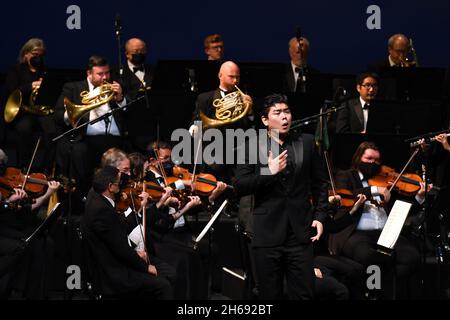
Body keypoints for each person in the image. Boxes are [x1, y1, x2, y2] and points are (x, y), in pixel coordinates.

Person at [234, 93, 330, 299]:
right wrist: (269, 172)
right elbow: (240, 186)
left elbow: (321, 183)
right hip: (267, 233)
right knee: (269, 295)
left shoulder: (306, 142)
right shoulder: (250, 145)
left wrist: (320, 216)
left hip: (300, 233)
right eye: (277, 113)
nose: (284, 117)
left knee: (304, 294)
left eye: (287, 111)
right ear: (265, 120)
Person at [328, 141, 427, 299]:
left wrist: (419, 197)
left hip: (384, 232)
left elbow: (400, 208)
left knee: (411, 256)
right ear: (358, 158)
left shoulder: (384, 180)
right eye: (369, 159)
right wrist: (374, 190)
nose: (373, 163)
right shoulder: (345, 175)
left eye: (376, 160)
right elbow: (345, 195)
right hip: (355, 233)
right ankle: (372, 294)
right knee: (371, 258)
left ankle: (385, 290)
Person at [81, 165, 173, 299]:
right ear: (110, 187)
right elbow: (120, 248)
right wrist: (145, 267)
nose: (121, 186)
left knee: (167, 273)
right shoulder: (101, 211)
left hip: (115, 260)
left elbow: (117, 236)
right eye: (119, 183)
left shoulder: (94, 194)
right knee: (163, 285)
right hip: (112, 273)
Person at [54, 55, 128, 198]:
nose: (105, 77)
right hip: (84, 138)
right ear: (89, 73)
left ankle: (119, 198)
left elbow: (128, 115)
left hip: (114, 139)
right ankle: (83, 196)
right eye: (100, 74)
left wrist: (120, 99)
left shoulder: (114, 88)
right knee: (79, 152)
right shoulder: (73, 88)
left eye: (107, 73)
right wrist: (80, 109)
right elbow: (57, 116)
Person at [0, 148, 61, 299]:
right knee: (27, 245)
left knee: (46, 243)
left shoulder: (7, 182)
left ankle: (36, 293)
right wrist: (8, 202)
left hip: (14, 224)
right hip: (5, 229)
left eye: (2, 165)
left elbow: (28, 208)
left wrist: (48, 193)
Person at [1, 38, 57, 173]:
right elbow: (12, 90)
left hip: (39, 111)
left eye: (41, 55)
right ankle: (24, 165)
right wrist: (31, 86)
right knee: (24, 128)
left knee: (53, 130)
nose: (38, 58)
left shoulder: (44, 71)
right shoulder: (16, 70)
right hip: (23, 111)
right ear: (26, 54)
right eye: (35, 54)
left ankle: (46, 167)